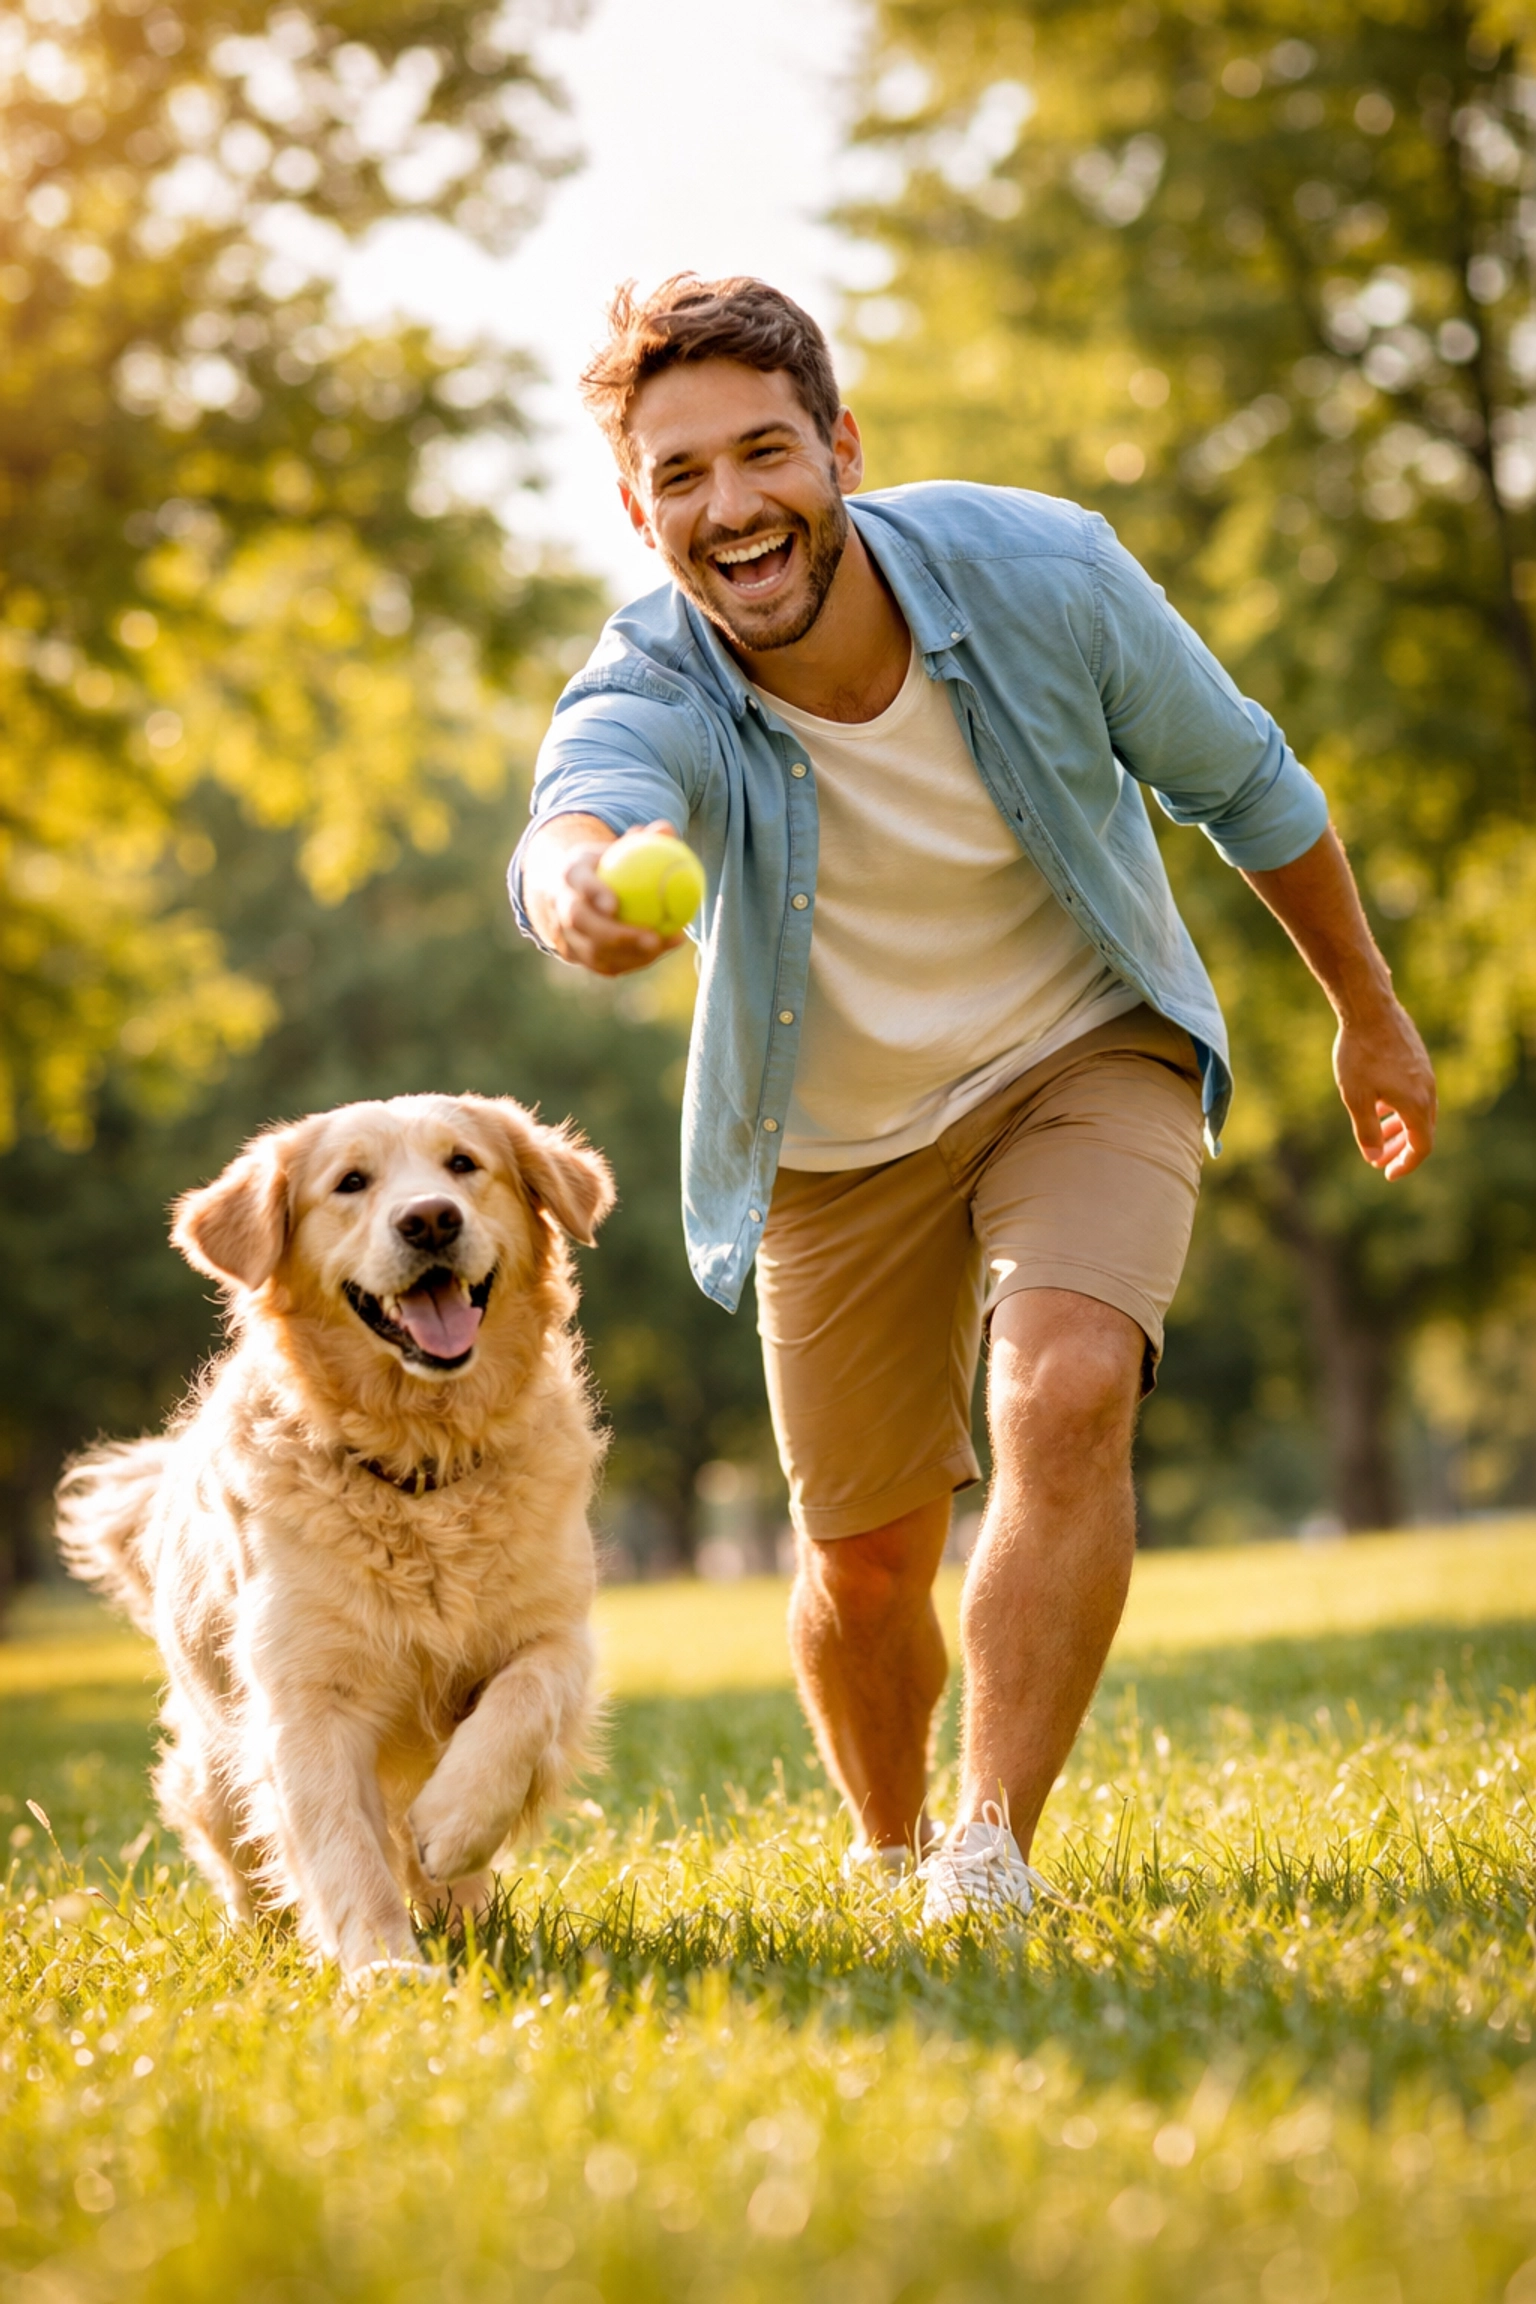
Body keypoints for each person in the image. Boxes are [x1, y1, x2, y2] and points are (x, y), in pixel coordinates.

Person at [509, 275, 1436, 1926]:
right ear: (636, 505)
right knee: (868, 1564)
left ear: (842, 447)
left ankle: (989, 1854)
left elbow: (1250, 785)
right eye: (680, 476)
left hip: (1081, 1045)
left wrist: (1368, 1013)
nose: (732, 509)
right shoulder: (653, 668)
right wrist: (575, 884)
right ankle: (884, 1853)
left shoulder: (1045, 574)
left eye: (765, 452)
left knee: (1069, 1386)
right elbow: (585, 795)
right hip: (832, 1132)